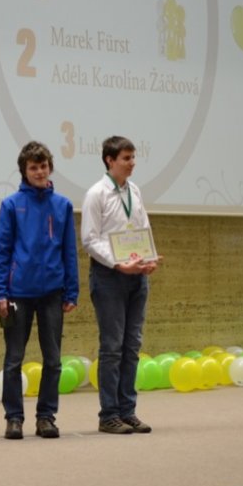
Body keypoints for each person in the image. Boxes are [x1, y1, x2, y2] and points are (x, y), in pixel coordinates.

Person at [0, 141, 79, 440]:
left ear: (50, 168)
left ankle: (46, 417)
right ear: (24, 171)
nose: (39, 172)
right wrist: (0, 293)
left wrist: (72, 291)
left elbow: (69, 252)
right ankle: (14, 418)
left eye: (43, 166)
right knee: (14, 359)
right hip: (18, 294)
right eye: (33, 168)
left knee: (53, 359)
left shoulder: (63, 205)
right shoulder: (11, 205)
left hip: (53, 293)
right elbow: (1, 253)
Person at [81, 136, 160, 435]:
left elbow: (143, 228)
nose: (132, 163)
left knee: (132, 346)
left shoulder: (134, 191)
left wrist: (148, 258)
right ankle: (109, 415)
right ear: (109, 160)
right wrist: (118, 263)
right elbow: (90, 240)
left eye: (133, 157)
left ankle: (128, 411)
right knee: (112, 348)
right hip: (109, 277)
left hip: (137, 276)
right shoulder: (96, 194)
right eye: (126, 158)